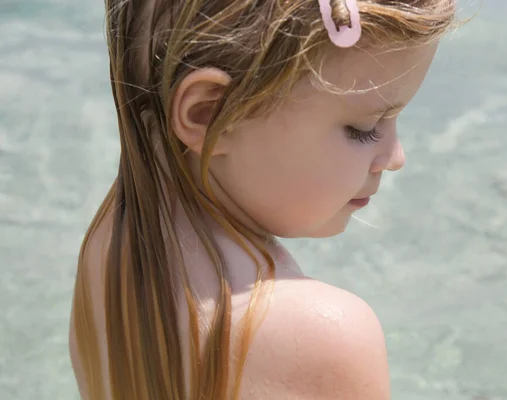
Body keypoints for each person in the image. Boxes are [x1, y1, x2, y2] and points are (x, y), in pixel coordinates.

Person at [69, 0, 457, 399]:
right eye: (363, 128)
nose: (395, 158)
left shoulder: (113, 244)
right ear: (209, 115)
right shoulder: (325, 335)